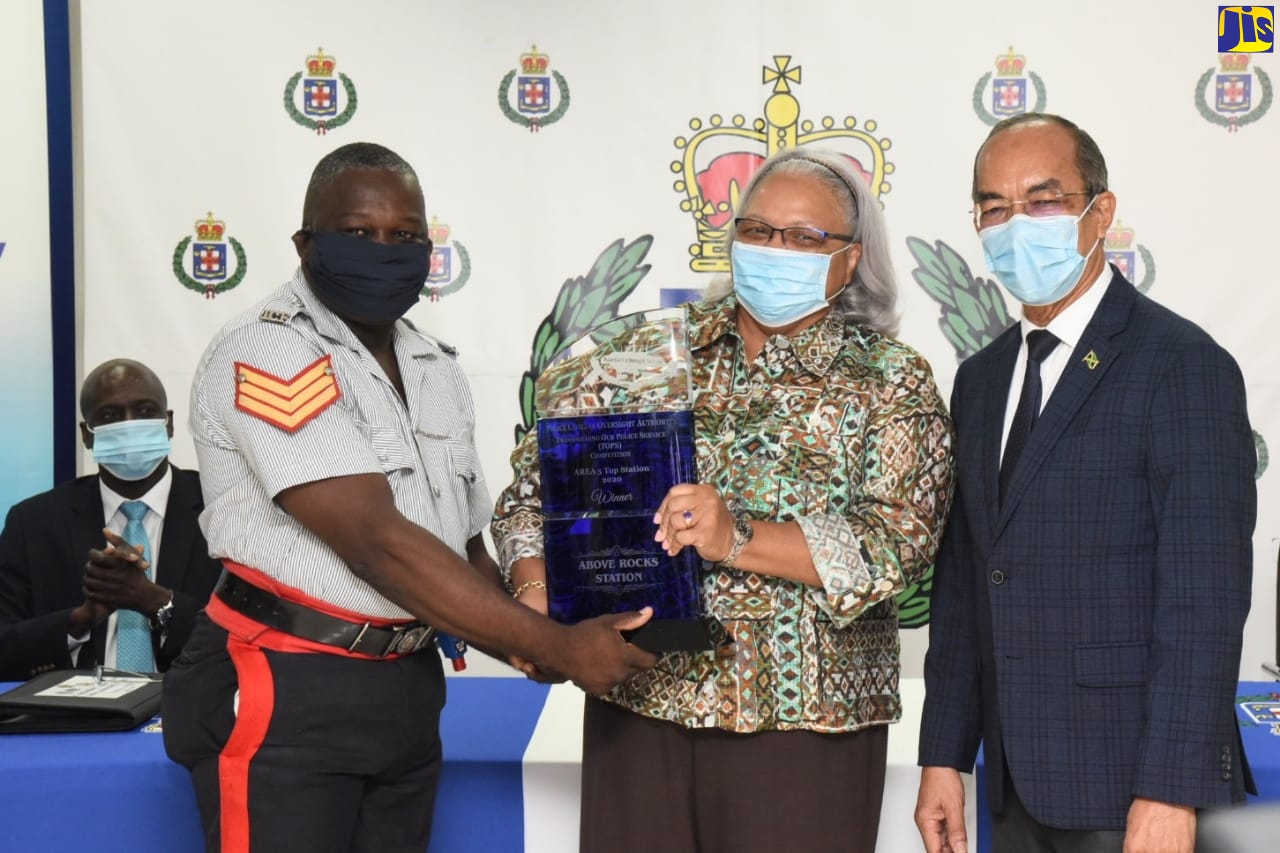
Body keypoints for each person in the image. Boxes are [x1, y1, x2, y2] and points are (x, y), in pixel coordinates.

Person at [160, 141, 657, 853]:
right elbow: (374, 539)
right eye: (359, 234)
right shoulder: (268, 352)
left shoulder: (433, 365)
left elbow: (459, 540)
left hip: (406, 688)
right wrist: (555, 644)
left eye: (405, 235)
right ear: (306, 244)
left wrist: (531, 626)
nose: (384, 250)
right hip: (289, 683)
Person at [493, 147, 956, 853]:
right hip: (640, 701)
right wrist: (533, 595)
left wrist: (737, 536)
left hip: (806, 728)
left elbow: (898, 544)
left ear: (850, 259)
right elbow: (533, 493)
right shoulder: (642, 355)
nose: (776, 249)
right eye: (758, 229)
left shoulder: (891, 381)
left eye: (805, 237)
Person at [915, 113, 1256, 853]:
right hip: (1012, 783)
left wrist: (1171, 787)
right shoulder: (979, 379)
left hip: (1131, 786)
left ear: (1099, 212)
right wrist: (943, 753)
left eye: (1041, 201)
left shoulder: (1182, 364)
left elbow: (1205, 599)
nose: (1015, 225)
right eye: (995, 208)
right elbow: (968, 583)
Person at [0, 358, 223, 680]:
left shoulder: (221, 510)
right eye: (110, 416)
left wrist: (158, 602)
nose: (129, 424)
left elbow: (255, 635)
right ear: (86, 435)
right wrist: (80, 619)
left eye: (145, 411)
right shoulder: (34, 523)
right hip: (76, 717)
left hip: (194, 711)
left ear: (169, 423)